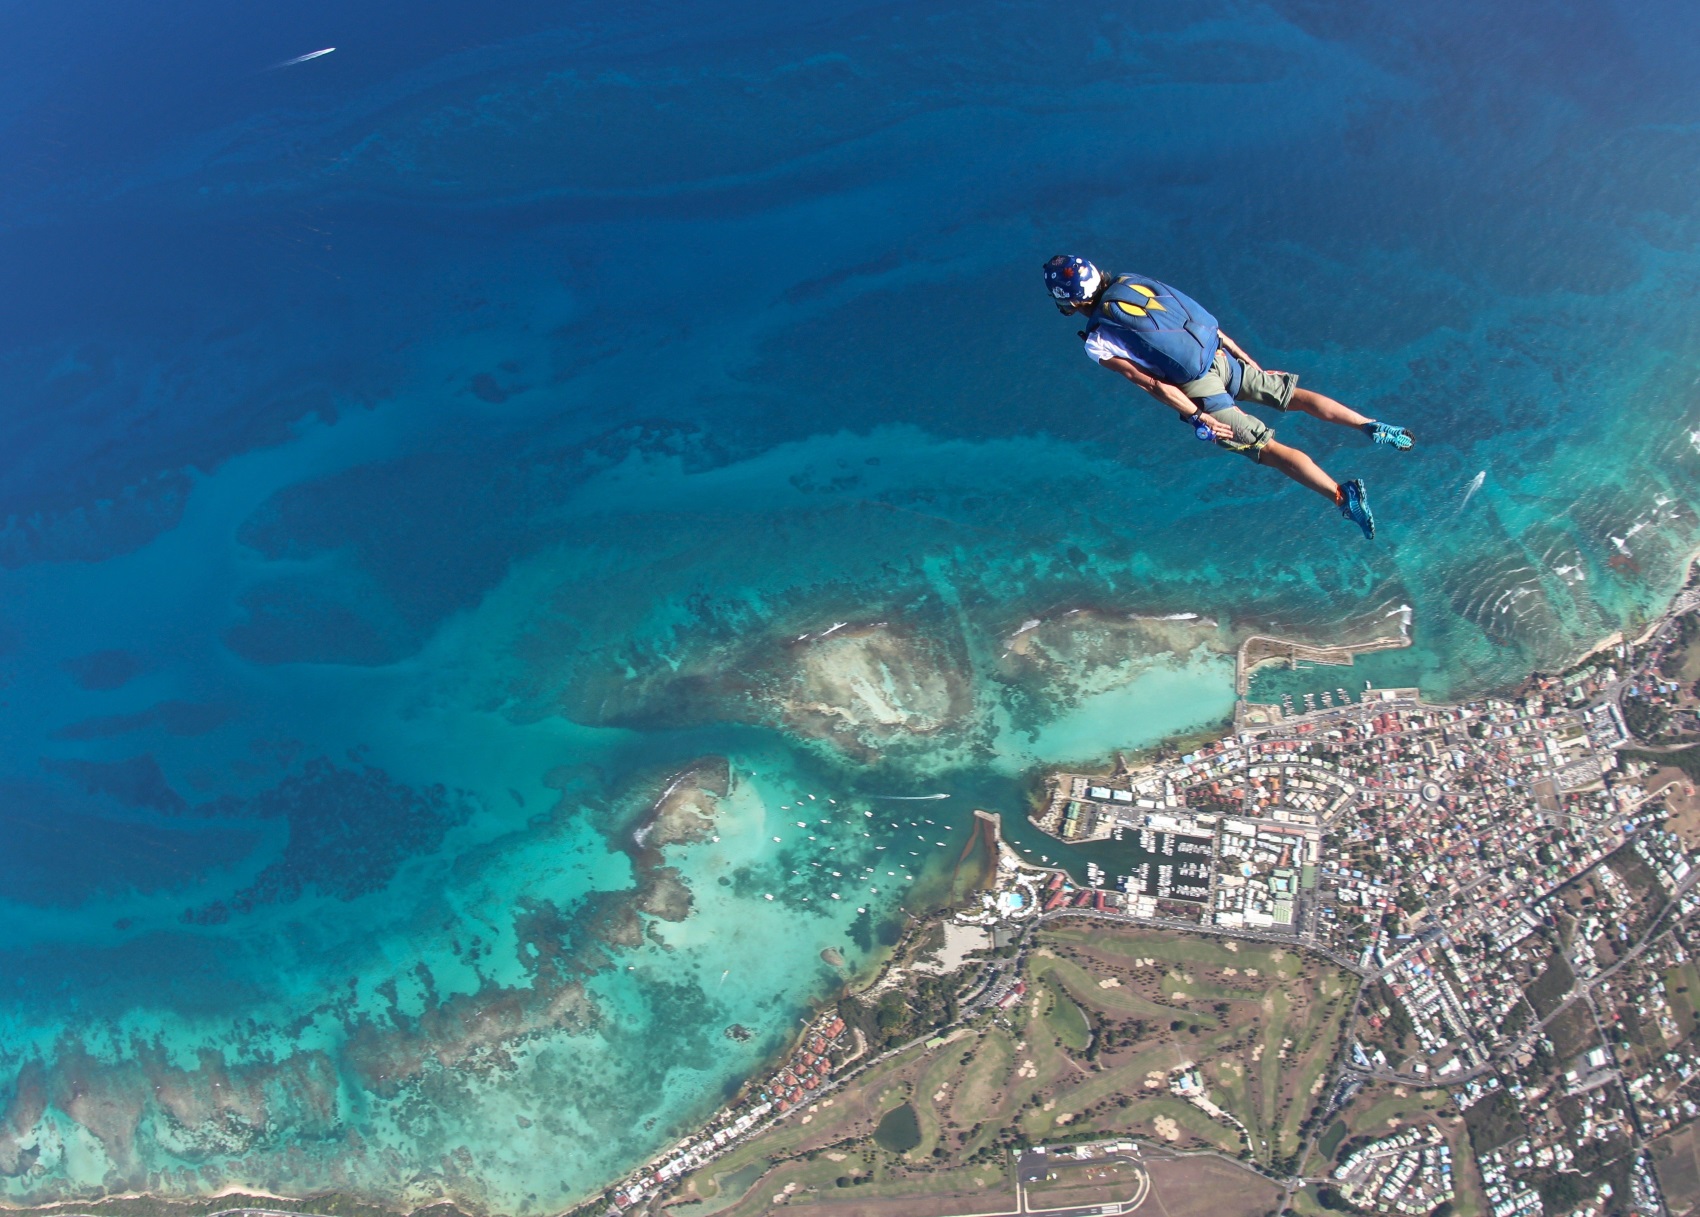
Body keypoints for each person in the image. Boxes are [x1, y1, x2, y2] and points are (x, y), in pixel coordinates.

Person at [1043, 255, 1412, 539]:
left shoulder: (1097, 340)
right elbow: (1204, 323)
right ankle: (1369, 424)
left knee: (1268, 450)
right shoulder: (1132, 281)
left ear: (1070, 302)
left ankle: (1341, 496)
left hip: (1197, 387)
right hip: (1220, 357)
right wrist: (1248, 361)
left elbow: (1151, 384)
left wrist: (1197, 417)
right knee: (1294, 397)